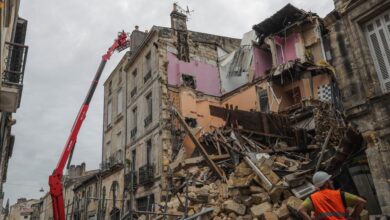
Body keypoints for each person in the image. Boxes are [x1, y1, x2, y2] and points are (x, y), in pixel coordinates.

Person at [298, 171, 367, 220]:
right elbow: (362, 202)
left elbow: (300, 210)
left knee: (313, 215)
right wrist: (354, 216)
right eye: (329, 180)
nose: (332, 181)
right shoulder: (339, 194)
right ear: (326, 183)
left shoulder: (312, 198)